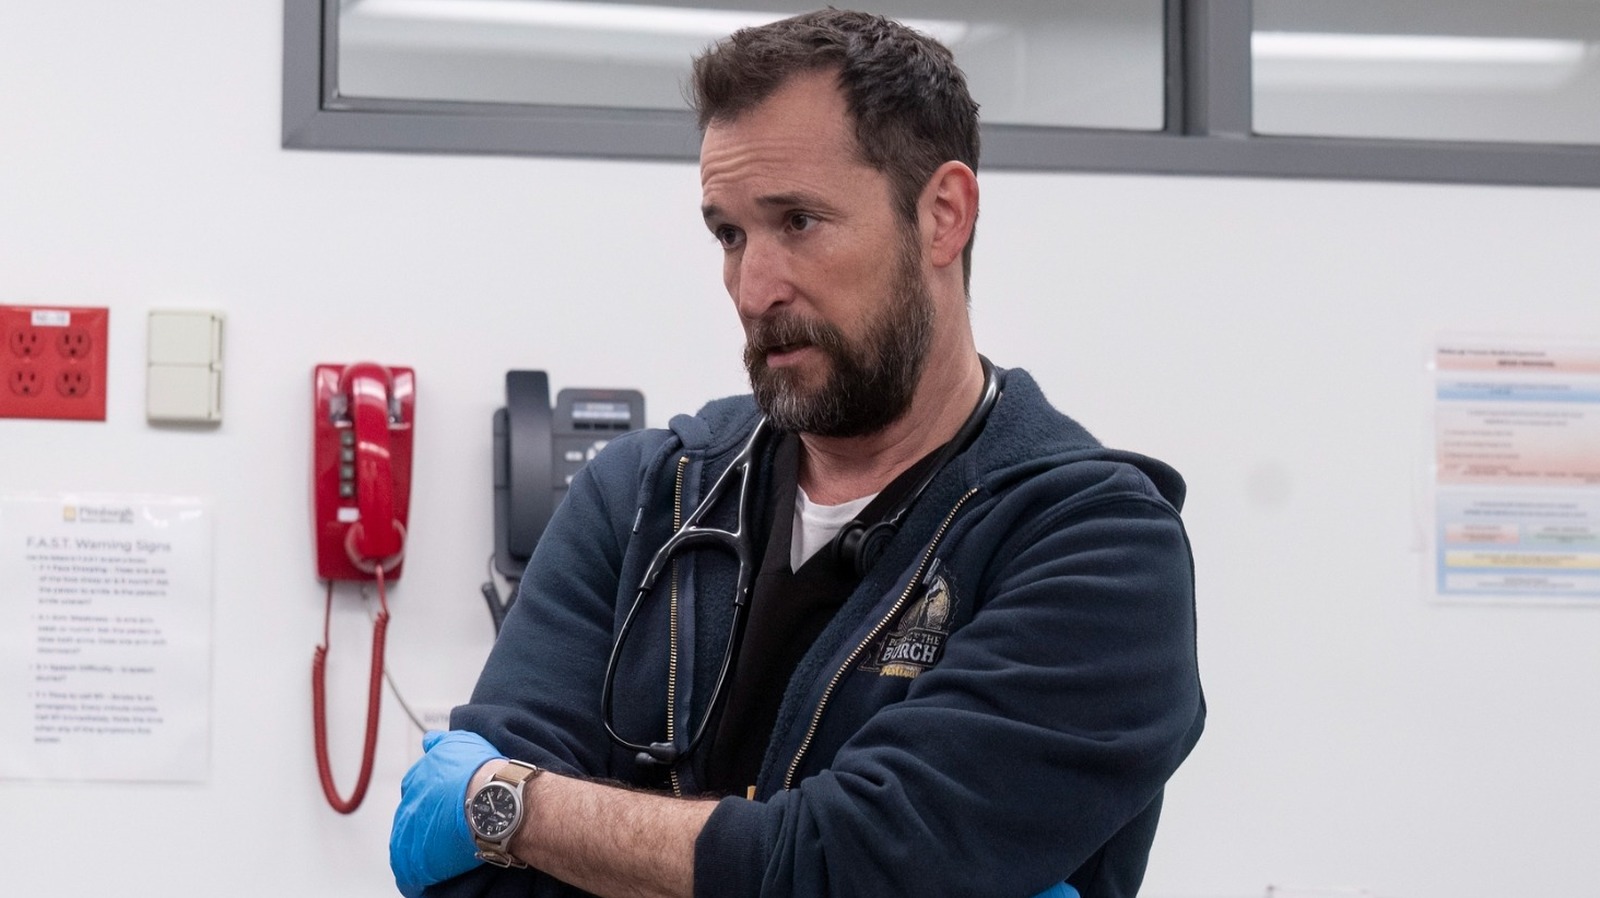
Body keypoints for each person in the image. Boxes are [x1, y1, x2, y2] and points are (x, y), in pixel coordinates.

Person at [390, 9, 1204, 898]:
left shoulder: (1098, 549)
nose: (753, 288)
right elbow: (471, 881)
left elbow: (855, 864)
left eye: (800, 221)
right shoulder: (644, 499)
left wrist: (514, 809)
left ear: (943, 216)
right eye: (730, 235)